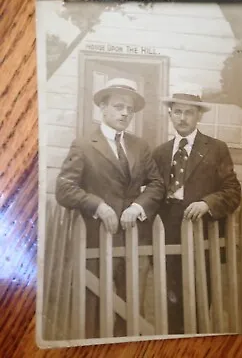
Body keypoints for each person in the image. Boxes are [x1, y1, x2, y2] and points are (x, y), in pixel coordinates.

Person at [55, 78, 165, 337]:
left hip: (134, 240)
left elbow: (157, 184)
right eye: (118, 106)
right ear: (102, 108)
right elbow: (64, 188)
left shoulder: (140, 145)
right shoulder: (83, 145)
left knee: (129, 308)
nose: (125, 113)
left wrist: (138, 207)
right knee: (93, 307)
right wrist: (98, 205)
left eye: (129, 108)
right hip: (96, 240)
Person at [152, 93, 241, 334]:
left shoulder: (215, 149)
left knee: (201, 296)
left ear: (198, 116)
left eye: (189, 112)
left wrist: (207, 203)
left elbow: (233, 191)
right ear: (170, 113)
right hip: (167, 232)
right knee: (169, 299)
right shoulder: (160, 153)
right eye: (178, 112)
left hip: (202, 230)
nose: (182, 118)